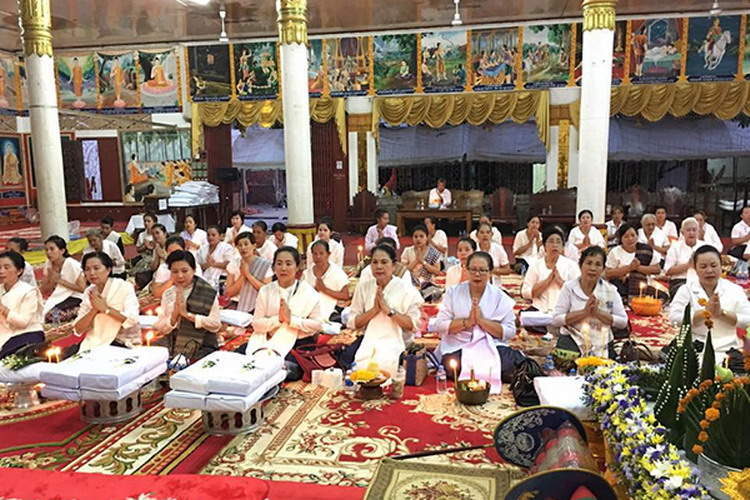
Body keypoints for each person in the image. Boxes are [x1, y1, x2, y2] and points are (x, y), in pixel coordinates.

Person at [433, 252, 519, 393]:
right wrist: (467, 322)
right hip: (460, 344)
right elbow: (440, 325)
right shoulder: (453, 292)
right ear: (466, 270)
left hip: (491, 345)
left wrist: (481, 321)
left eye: (482, 270)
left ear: (490, 272)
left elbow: (510, 331)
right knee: (451, 365)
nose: (477, 274)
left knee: (511, 364)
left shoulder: (499, 296)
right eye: (473, 269)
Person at [344, 244, 423, 374]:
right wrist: (374, 310)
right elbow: (353, 323)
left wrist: (389, 311)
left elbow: (413, 325)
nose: (379, 266)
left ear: (394, 265)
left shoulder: (407, 289)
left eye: (384, 262)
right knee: (352, 361)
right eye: (375, 262)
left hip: (399, 343)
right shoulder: (363, 287)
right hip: (369, 341)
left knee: (386, 367)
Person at [669, 245, 750, 365]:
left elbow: (748, 320)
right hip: (694, 348)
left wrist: (722, 314)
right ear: (695, 268)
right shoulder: (686, 290)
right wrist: (703, 313)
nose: (709, 271)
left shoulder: (735, 290)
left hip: (728, 350)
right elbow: (674, 319)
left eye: (713, 265)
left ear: (721, 266)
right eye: (703, 267)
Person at [246, 247, 323, 362]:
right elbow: (256, 324)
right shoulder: (266, 290)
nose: (283, 268)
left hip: (298, 342)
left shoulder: (308, 292)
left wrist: (291, 320)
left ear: (297, 267)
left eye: (288, 264)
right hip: (267, 339)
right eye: (279, 263)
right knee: (244, 360)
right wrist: (279, 320)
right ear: (273, 267)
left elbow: (317, 325)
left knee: (286, 368)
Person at [551, 246, 628, 359]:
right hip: (573, 339)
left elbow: (623, 322)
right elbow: (556, 320)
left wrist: (598, 313)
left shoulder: (610, 290)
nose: (593, 268)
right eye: (589, 263)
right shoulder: (569, 288)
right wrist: (584, 312)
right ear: (580, 265)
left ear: (602, 269)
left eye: (598, 264)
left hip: (602, 340)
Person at [153, 250, 221, 359]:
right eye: (175, 271)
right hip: (173, 340)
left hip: (202, 342)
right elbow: (160, 327)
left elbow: (216, 324)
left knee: (192, 362)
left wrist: (187, 315)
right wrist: (174, 316)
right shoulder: (168, 294)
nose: (180, 276)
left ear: (193, 270)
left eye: (184, 271)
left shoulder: (207, 291)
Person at [72, 252, 140, 352]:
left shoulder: (124, 287)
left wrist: (106, 309)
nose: (92, 273)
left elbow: (132, 320)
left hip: (123, 341)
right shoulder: (89, 292)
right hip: (93, 341)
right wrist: (94, 310)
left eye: (96, 268)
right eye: (87, 269)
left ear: (108, 270)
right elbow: (78, 329)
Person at [522, 227, 580, 317]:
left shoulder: (571, 265)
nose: (555, 245)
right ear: (544, 246)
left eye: (558, 242)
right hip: (539, 309)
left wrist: (560, 282)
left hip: (564, 311)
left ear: (562, 247)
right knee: (524, 318)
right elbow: (525, 292)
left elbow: (578, 291)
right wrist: (546, 282)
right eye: (551, 241)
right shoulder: (535, 265)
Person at [0, 251, 44, 359]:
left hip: (25, 334)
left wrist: (2, 308)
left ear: (19, 271)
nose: (1, 271)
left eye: (6, 267)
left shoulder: (28, 291)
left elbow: (23, 323)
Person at [605, 224, 662, 302]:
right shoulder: (615, 251)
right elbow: (608, 273)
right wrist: (629, 268)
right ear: (620, 239)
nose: (630, 239)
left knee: (662, 296)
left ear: (637, 236)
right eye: (626, 236)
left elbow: (657, 270)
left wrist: (638, 267)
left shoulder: (645, 250)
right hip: (620, 287)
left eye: (633, 235)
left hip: (643, 286)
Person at [40, 235, 86, 324]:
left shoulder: (72, 264)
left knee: (52, 316)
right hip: (58, 296)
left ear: (62, 251)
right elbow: (44, 290)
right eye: (46, 250)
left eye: (52, 249)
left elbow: (82, 289)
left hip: (75, 296)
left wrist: (60, 281)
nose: (48, 252)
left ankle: (82, 310)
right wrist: (51, 280)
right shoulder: (48, 264)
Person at [302, 240, 350, 321]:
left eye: (321, 253)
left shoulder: (337, 272)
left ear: (328, 254)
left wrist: (324, 290)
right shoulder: (306, 273)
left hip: (330, 312)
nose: (318, 257)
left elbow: (345, 296)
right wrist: (312, 291)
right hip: (308, 311)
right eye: (315, 254)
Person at [225, 232, 272, 313]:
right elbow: (228, 293)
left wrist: (247, 275)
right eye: (240, 245)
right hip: (236, 304)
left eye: (246, 244)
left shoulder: (265, 264)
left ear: (254, 245)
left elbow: (267, 291)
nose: (243, 248)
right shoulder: (233, 264)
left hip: (258, 306)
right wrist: (242, 276)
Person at [665, 217, 706, 298]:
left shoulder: (704, 246)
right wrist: (688, 265)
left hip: (701, 281)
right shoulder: (675, 247)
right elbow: (668, 271)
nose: (691, 233)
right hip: (680, 282)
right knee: (688, 293)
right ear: (682, 232)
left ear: (698, 232)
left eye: (694, 230)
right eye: (688, 230)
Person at [199, 225, 234, 292]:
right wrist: (206, 265)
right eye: (208, 235)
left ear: (220, 236)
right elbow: (198, 265)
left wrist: (214, 264)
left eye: (213, 235)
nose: (210, 237)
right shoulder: (202, 249)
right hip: (205, 279)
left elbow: (229, 265)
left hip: (222, 280)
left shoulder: (226, 247)